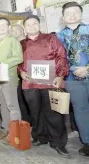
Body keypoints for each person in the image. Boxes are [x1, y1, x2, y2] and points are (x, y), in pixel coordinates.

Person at [19, 15, 70, 157]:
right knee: (35, 113)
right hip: (30, 83)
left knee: (54, 113)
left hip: (51, 82)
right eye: (28, 25)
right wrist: (21, 72)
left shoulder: (51, 39)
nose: (31, 26)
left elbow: (61, 56)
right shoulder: (21, 43)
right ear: (24, 28)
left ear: (39, 24)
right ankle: (40, 137)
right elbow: (18, 62)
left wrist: (60, 75)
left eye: (34, 23)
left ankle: (58, 143)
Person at [57, 2, 89, 157]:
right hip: (71, 79)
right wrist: (73, 70)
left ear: (81, 13)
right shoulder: (58, 37)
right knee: (81, 111)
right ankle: (88, 142)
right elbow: (59, 58)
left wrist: (88, 68)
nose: (72, 15)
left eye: (75, 11)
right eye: (68, 13)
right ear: (63, 18)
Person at [0, 17, 23, 144]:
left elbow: (18, 58)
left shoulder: (12, 40)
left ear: (9, 27)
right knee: (2, 104)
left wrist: (2, 64)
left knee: (12, 105)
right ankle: (6, 128)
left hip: (8, 77)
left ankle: (16, 133)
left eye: (4, 25)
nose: (1, 27)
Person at [11, 24, 31, 125]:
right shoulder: (14, 44)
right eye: (12, 30)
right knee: (21, 99)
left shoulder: (28, 42)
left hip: (29, 73)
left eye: (16, 29)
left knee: (30, 100)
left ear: (22, 30)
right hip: (18, 74)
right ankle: (26, 123)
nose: (14, 32)